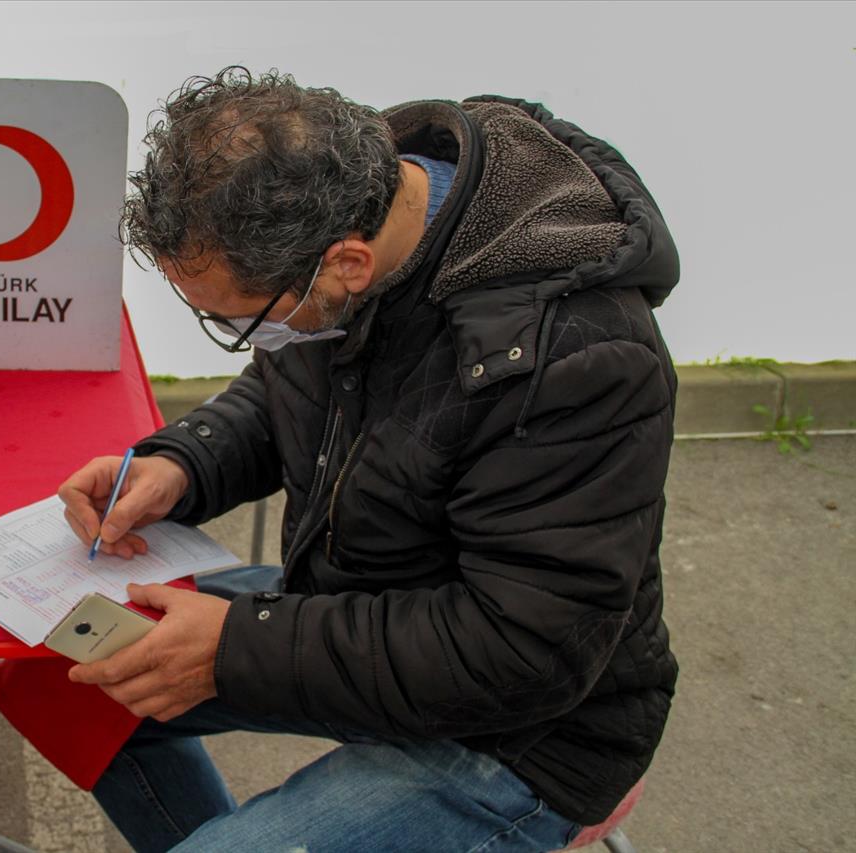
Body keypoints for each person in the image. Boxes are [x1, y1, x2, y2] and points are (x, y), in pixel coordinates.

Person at [56, 67, 679, 853]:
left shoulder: (576, 355)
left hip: (528, 733)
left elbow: (526, 651)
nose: (253, 340)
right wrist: (184, 461)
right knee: (65, 674)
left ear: (346, 266)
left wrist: (238, 649)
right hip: (363, 619)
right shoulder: (359, 205)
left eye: (240, 321)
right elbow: (290, 381)